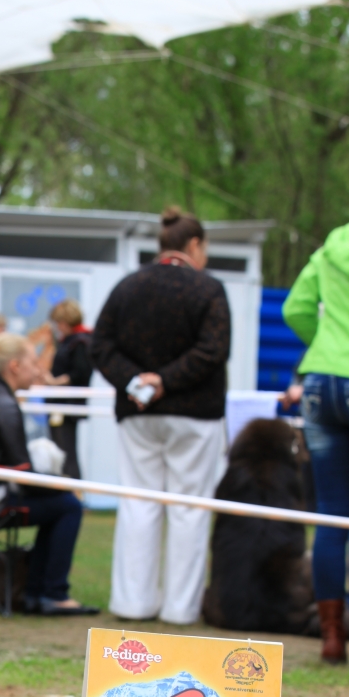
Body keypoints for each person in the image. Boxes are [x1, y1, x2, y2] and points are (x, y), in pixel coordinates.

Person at [91, 206, 231, 625]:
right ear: (194, 245)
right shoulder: (209, 290)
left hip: (137, 414)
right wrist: (166, 380)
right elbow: (213, 351)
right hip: (195, 414)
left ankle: (134, 602)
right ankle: (180, 608)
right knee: (189, 508)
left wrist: (138, 382)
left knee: (139, 503)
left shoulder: (126, 287)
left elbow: (100, 346)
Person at [0, 332, 98, 616]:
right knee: (68, 506)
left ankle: (38, 591)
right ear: (15, 367)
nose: (39, 370)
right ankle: (50, 593)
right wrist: (64, 488)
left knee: (61, 503)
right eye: (33, 361)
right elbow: (24, 474)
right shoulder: (4, 404)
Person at [282, 218, 349, 663]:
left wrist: (324, 344)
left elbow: (295, 309)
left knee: (331, 514)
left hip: (320, 380)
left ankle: (331, 636)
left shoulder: (333, 244)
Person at [47, 298, 93, 478]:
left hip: (66, 404)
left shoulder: (79, 342)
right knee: (62, 451)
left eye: (58, 322)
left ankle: (73, 495)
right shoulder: (73, 341)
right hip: (61, 404)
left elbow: (80, 372)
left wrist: (53, 382)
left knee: (66, 453)